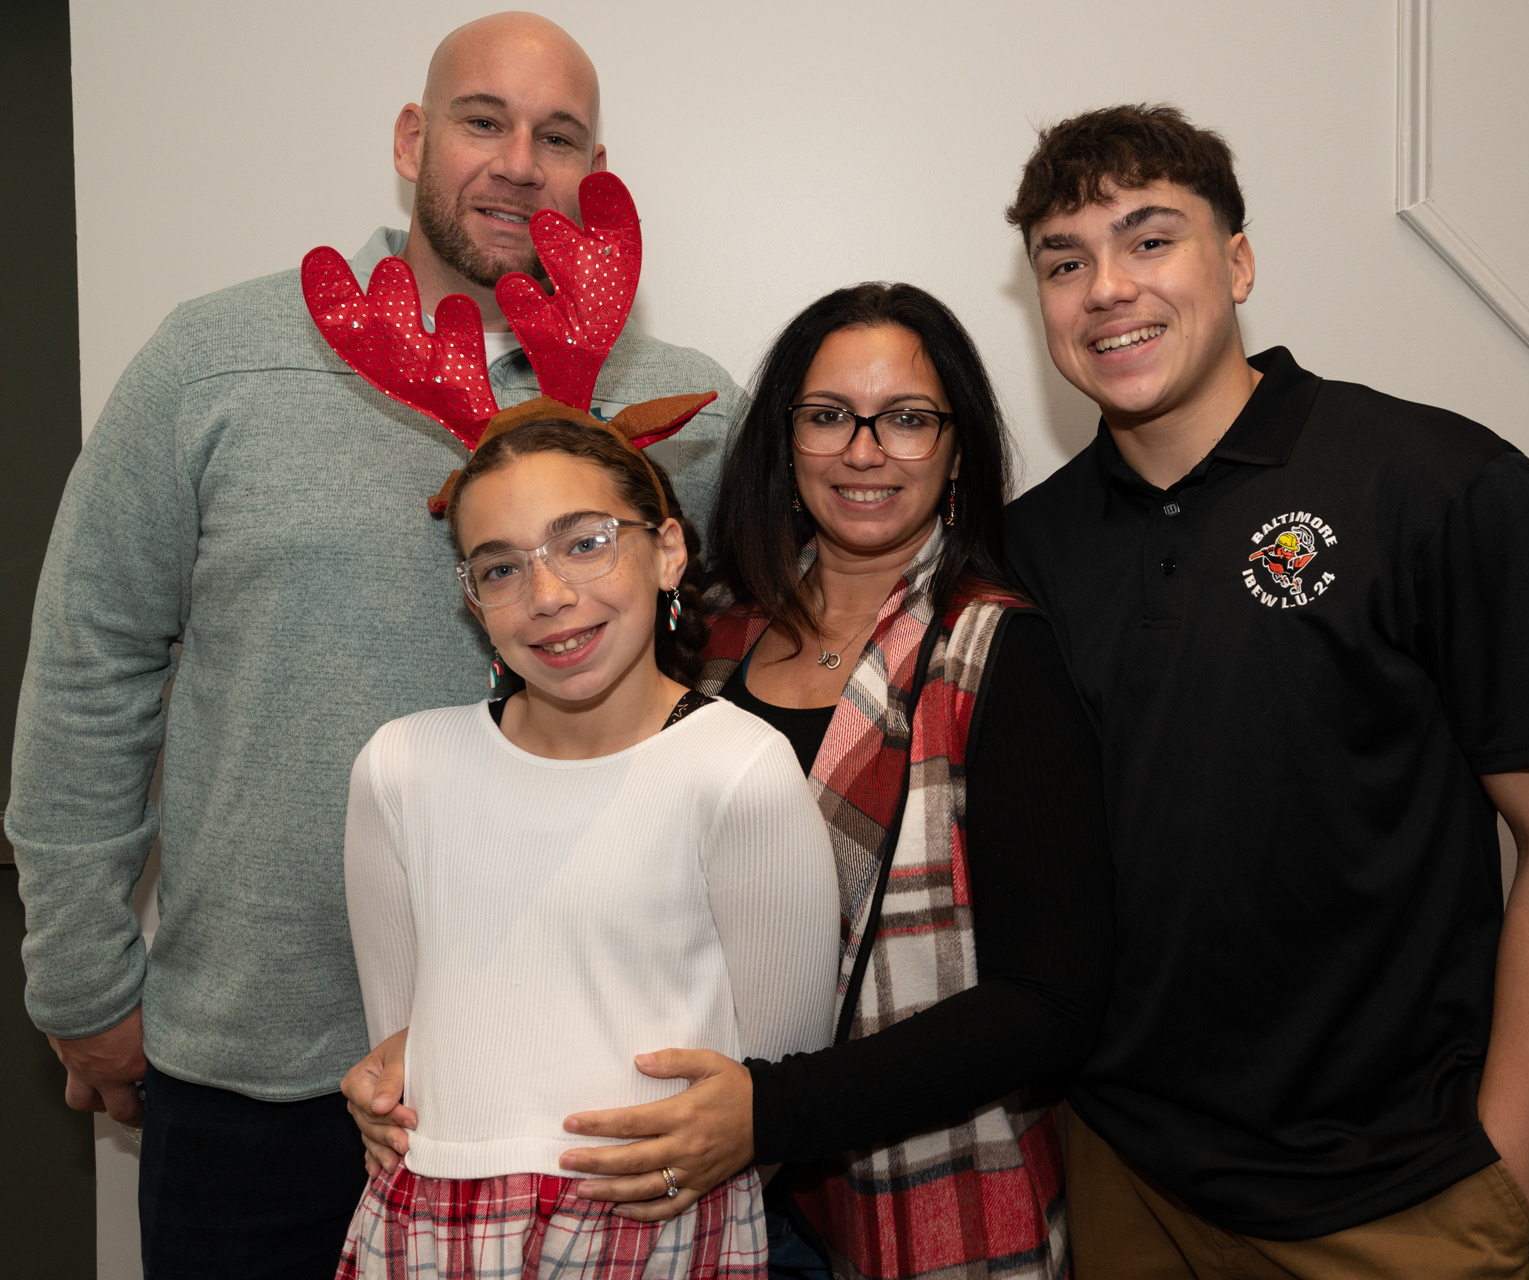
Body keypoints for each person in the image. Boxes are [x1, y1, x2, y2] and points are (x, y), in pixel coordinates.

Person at [5, 12, 745, 1276]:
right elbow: (92, 660)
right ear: (411, 138)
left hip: (574, 1082)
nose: (519, 162)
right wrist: (80, 981)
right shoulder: (214, 363)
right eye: (482, 121)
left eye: (558, 136)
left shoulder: (688, 412)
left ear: (596, 173)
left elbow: (746, 678)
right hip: (259, 1074)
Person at [347, 283, 1115, 1280]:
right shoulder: (711, 636)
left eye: (907, 418)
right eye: (828, 416)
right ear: (786, 442)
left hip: (911, 1182)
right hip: (685, 1194)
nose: (864, 450)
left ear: (957, 447)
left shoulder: (998, 655)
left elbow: (1050, 1000)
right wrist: (431, 1055)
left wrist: (770, 1114)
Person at [1001, 104, 1529, 1279]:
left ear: (1236, 262)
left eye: (1149, 238)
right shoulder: (1027, 549)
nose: (1106, 287)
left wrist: (1503, 1181)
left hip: (1402, 1197)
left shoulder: (1435, 484)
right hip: (1125, 1178)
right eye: (1063, 262)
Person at [336, 414, 838, 1278]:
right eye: (501, 567)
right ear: (473, 600)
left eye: (584, 544)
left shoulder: (740, 770)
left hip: (658, 1230)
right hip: (435, 1233)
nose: (548, 595)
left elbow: (772, 1091)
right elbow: (404, 1053)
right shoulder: (401, 768)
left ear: (668, 551)